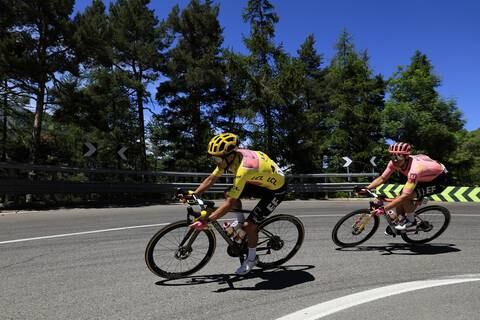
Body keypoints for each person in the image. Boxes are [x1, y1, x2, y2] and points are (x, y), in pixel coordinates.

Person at [188, 133, 287, 275]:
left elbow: (229, 204)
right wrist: (194, 194)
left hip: (276, 190)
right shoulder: (229, 158)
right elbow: (211, 179)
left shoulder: (244, 169)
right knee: (229, 193)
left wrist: (208, 220)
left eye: (217, 158)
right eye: (214, 158)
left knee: (249, 226)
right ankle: (240, 224)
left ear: (229, 155)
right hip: (260, 181)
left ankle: (252, 258)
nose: (216, 162)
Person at [362, 142, 448, 232]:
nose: (395, 160)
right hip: (424, 176)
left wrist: (384, 209)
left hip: (439, 181)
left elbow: (405, 196)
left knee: (405, 197)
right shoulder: (393, 163)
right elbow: (383, 178)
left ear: (406, 157)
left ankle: (411, 221)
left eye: (398, 157)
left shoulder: (415, 169)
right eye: (392, 156)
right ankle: (399, 220)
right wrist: (367, 188)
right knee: (400, 196)